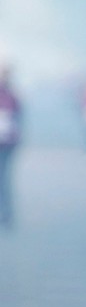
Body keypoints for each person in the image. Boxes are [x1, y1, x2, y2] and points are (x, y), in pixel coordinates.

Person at [0, 63, 21, 230]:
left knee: (4, 179)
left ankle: (6, 214)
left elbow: (18, 119)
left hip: (7, 143)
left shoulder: (12, 96)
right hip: (8, 142)